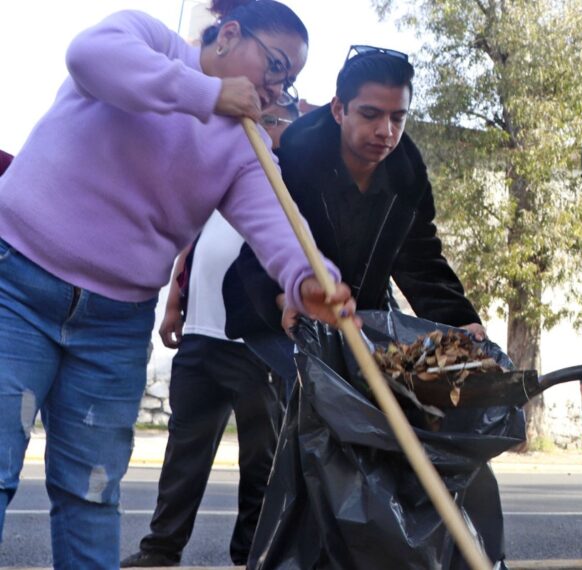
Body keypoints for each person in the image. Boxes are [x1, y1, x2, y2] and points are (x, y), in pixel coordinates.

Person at [0, 2, 357, 567]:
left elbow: (279, 225)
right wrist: (207, 95)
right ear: (229, 34)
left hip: (114, 326)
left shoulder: (246, 144)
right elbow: (89, 57)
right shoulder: (147, 40)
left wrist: (309, 280)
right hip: (14, 285)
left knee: (92, 492)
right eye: (275, 64)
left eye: (288, 80)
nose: (276, 86)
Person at [225, 45, 503, 568]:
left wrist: (461, 319)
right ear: (338, 109)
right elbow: (266, 238)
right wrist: (287, 294)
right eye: (371, 115)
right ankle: (295, 553)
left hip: (361, 313)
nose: (385, 132)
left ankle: (377, 549)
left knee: (396, 417)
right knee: (320, 423)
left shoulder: (406, 168)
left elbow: (420, 256)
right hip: (276, 305)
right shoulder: (301, 151)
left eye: (398, 117)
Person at [120, 104, 301, 568]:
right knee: (184, 451)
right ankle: (161, 548)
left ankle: (250, 556)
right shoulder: (226, 171)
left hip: (255, 346)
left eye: (278, 123)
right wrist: (175, 304)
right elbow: (194, 240)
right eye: (266, 121)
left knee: (260, 460)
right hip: (200, 338)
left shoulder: (288, 186)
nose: (268, 129)